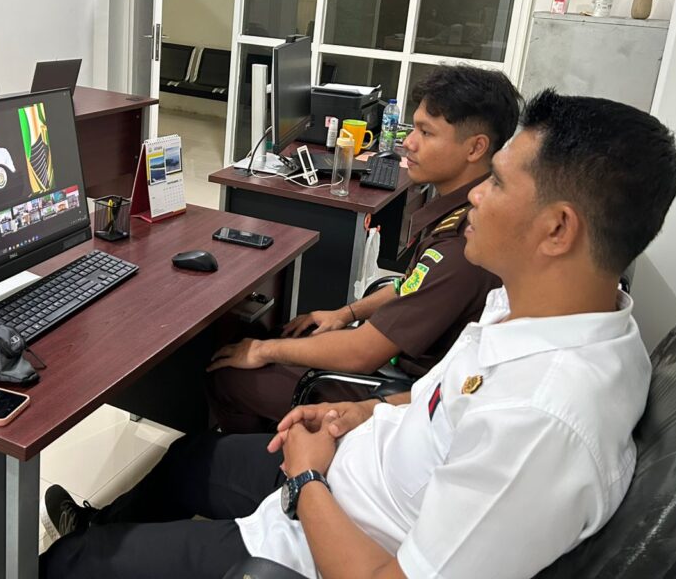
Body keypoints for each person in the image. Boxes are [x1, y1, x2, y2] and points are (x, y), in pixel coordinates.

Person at [37, 90, 676, 579]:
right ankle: (102, 527)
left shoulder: (541, 421)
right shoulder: (539, 311)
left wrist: (306, 483)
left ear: (557, 229)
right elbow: (444, 400)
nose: (476, 198)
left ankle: (87, 550)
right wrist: (361, 412)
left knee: (71, 564)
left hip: (314, 539)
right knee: (190, 459)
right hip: (350, 466)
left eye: (498, 183)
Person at [207, 65, 521, 432]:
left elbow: (362, 353)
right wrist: (345, 312)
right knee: (287, 334)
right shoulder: (463, 211)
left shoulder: (464, 244)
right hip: (398, 361)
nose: (409, 143)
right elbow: (411, 285)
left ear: (476, 147)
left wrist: (262, 351)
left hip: (401, 395)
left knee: (230, 374)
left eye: (426, 132)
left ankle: (269, 459)